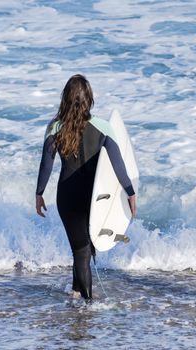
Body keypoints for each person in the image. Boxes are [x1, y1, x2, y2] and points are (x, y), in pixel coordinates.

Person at [35, 74, 136, 302]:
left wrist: (39, 193)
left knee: (83, 249)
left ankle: (77, 293)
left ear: (65, 99)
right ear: (89, 98)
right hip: (95, 199)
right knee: (82, 250)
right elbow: (118, 165)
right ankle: (88, 305)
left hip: (68, 198)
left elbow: (46, 165)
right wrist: (130, 193)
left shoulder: (54, 128)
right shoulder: (102, 128)